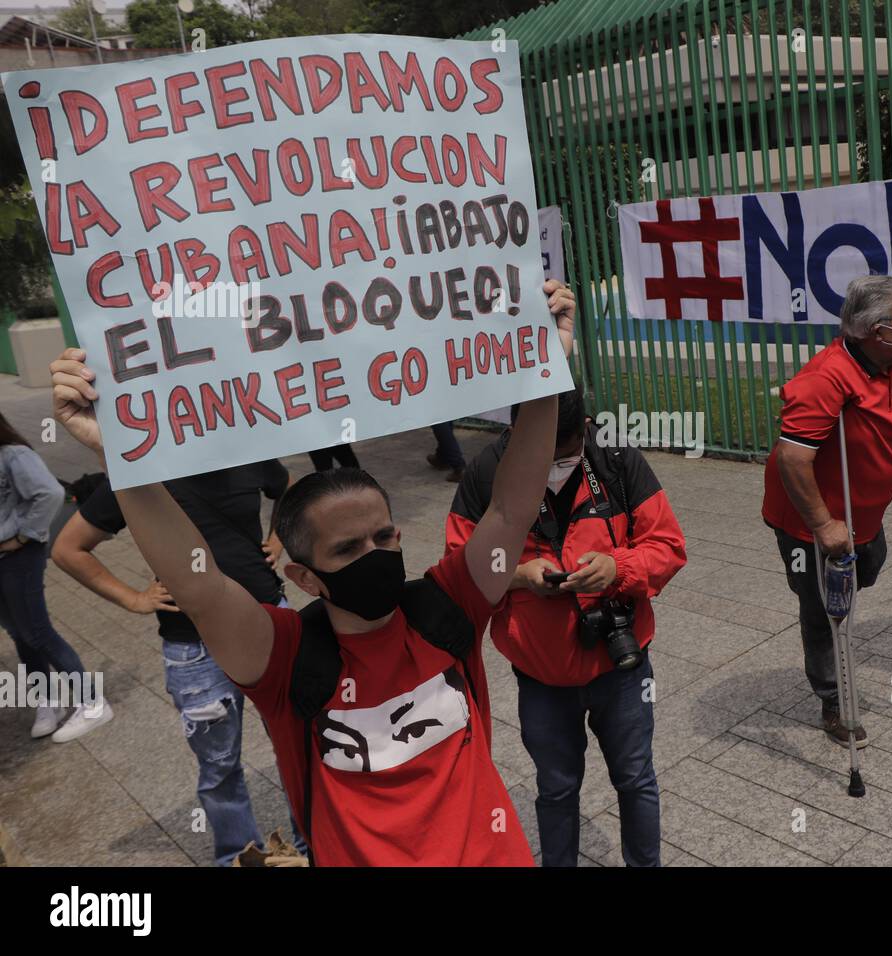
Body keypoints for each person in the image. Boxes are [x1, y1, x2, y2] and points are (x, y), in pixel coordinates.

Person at [48, 279, 575, 866]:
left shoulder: (449, 604)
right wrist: (119, 454)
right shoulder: (283, 657)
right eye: (347, 549)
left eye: (384, 536)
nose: (375, 554)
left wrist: (544, 376)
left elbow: (511, 508)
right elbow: (200, 584)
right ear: (303, 578)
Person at [446, 389, 686, 866]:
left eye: (568, 455)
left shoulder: (616, 458)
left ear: (587, 428)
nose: (555, 467)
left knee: (636, 780)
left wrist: (618, 568)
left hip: (621, 665)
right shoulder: (487, 473)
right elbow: (457, 568)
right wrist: (519, 576)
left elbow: (668, 547)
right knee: (555, 790)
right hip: (540, 674)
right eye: (541, 457)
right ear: (517, 434)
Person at [52, 461, 299, 866]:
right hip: (194, 649)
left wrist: (278, 538)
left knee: (296, 744)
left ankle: (314, 845)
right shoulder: (136, 474)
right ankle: (239, 858)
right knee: (219, 769)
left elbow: (288, 487)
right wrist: (134, 598)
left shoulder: (243, 451)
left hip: (269, 625)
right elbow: (68, 548)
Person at [762, 274, 892, 746]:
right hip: (808, 517)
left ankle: (840, 591)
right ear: (876, 332)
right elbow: (793, 456)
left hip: (865, 511)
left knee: (864, 570)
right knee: (824, 604)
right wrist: (823, 525)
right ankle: (833, 699)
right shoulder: (826, 377)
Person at [0, 411, 111, 742]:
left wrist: (22, 536)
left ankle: (92, 702)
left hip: (19, 556)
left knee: (37, 632)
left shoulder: (13, 455)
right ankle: (47, 699)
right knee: (19, 633)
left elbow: (49, 493)